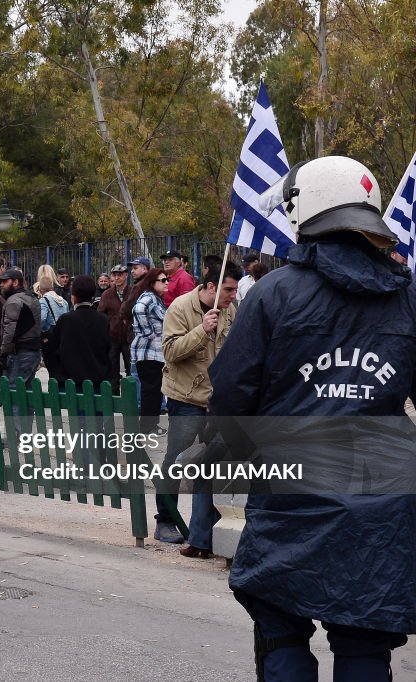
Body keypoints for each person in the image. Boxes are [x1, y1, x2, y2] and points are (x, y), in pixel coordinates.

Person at [210, 156, 416, 681]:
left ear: (305, 211)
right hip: (383, 498)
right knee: (366, 646)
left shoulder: (276, 294)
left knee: (282, 635)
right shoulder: (408, 298)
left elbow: (231, 395)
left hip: (289, 489)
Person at [152, 258, 241, 544]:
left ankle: (205, 526)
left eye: (234, 290)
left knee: (211, 462)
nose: (232, 296)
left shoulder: (230, 311)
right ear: (211, 286)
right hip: (186, 397)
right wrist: (201, 329)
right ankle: (165, 520)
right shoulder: (180, 308)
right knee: (176, 460)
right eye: (228, 290)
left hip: (217, 399)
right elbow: (171, 351)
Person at [48, 275, 110, 391]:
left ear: (73, 296)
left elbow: (54, 349)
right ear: (93, 297)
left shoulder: (65, 320)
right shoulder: (103, 320)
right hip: (98, 382)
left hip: (71, 382)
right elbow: (108, 350)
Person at [129, 268, 168, 435]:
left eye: (167, 280)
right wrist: (149, 333)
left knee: (154, 390)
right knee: (150, 391)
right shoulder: (149, 297)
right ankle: (147, 427)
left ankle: (150, 425)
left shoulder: (156, 299)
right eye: (163, 280)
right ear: (153, 283)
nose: (166, 283)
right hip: (147, 353)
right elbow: (138, 309)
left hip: (154, 353)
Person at [0, 268, 42, 388]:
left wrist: (2, 354)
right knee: (27, 395)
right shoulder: (31, 297)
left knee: (14, 396)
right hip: (33, 352)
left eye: (5, 281)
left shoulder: (14, 301)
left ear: (16, 282)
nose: (1, 285)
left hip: (20, 354)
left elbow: (9, 332)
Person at [97, 264, 132, 388]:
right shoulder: (107, 294)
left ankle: (131, 399)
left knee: (131, 368)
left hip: (129, 337)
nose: (117, 277)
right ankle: (114, 398)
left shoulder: (133, 292)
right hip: (112, 337)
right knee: (112, 369)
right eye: (115, 275)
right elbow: (100, 315)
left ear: (126, 275)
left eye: (120, 275)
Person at [35, 265, 69, 377]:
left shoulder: (43, 300)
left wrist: (39, 331)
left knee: (52, 367)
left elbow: (42, 318)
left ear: (40, 289)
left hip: (49, 338)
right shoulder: (63, 301)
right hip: (63, 337)